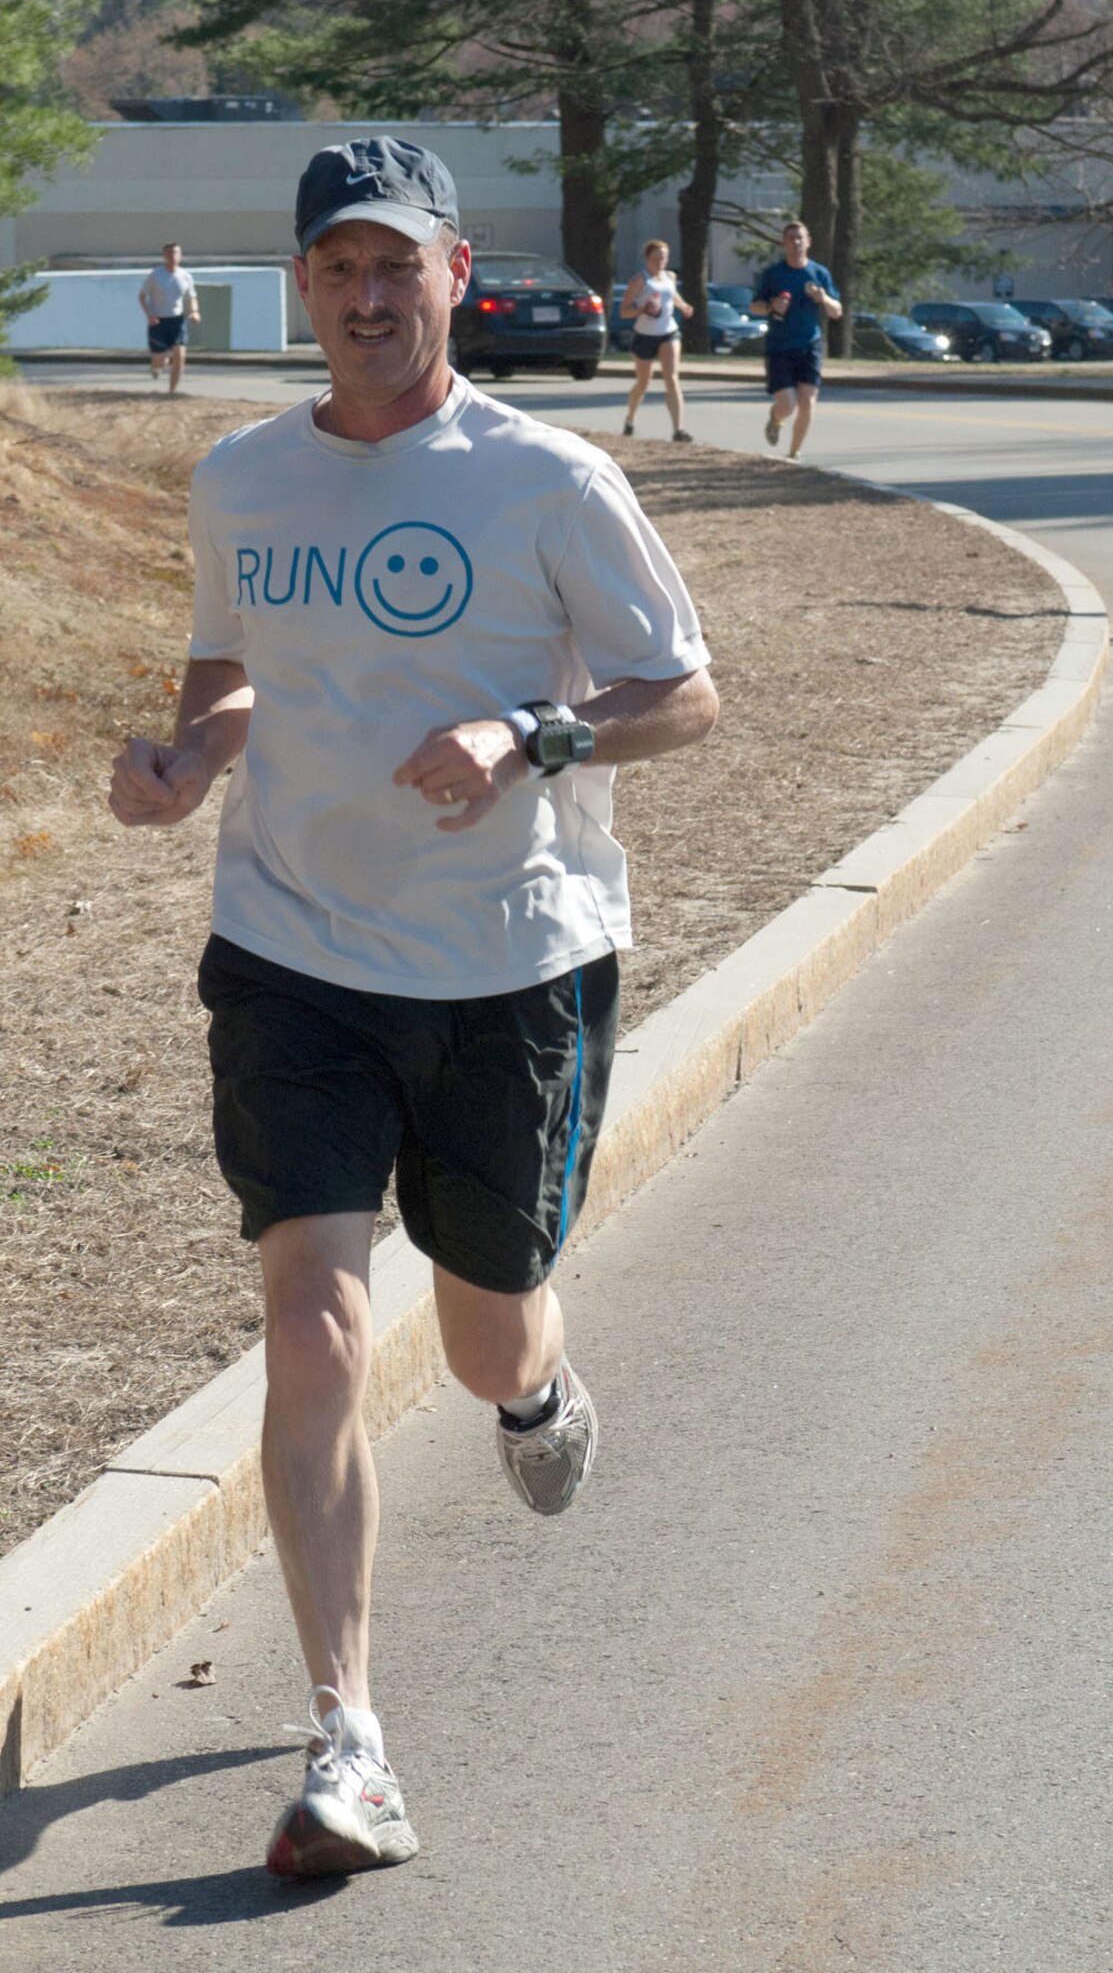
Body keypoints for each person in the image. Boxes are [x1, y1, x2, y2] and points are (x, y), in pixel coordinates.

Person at [108, 135, 718, 1881]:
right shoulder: (242, 477)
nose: (367, 299)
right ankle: (348, 1737)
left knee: (480, 1339)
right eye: (336, 271)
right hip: (291, 951)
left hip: (507, 962)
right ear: (301, 289)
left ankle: (532, 1393)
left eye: (398, 268)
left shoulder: (543, 479)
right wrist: (182, 756)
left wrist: (528, 737)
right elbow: (232, 672)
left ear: (455, 274)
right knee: (312, 1325)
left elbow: (682, 696)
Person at [750, 220, 842, 460]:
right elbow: (755, 306)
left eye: (800, 238)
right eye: (791, 238)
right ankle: (776, 417)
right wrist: (771, 306)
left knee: (808, 401)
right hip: (779, 347)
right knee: (787, 404)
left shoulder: (819, 274)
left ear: (808, 242)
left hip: (810, 344)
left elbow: (837, 311)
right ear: (784, 243)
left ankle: (794, 453)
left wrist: (823, 298)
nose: (796, 242)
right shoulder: (774, 274)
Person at [619, 239, 695, 443]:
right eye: (656, 259)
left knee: (671, 377)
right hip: (644, 335)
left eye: (663, 258)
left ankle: (679, 430)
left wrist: (685, 306)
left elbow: (674, 297)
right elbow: (624, 311)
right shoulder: (640, 280)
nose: (660, 263)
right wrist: (642, 309)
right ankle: (630, 418)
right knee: (643, 382)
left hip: (668, 333)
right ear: (647, 259)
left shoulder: (669, 277)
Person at [138, 242, 201, 393]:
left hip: (177, 320)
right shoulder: (156, 275)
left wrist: (194, 312)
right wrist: (150, 315)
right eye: (170, 253)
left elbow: (191, 297)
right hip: (158, 321)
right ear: (164, 256)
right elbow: (142, 296)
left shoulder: (185, 275)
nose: (173, 256)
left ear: (180, 255)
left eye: (176, 252)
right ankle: (156, 367)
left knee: (180, 356)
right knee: (161, 360)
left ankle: (172, 391)